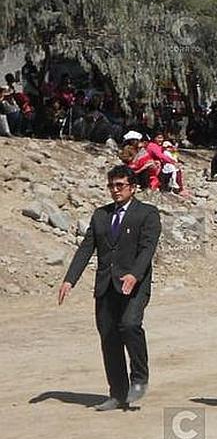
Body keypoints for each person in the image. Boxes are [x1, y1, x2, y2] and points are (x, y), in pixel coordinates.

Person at [58, 166, 162, 411]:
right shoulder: (100, 215)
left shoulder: (147, 213)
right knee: (109, 337)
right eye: (112, 186)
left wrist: (134, 275)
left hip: (134, 286)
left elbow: (148, 248)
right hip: (106, 286)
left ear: (132, 187)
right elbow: (86, 249)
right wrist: (69, 279)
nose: (115, 191)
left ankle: (139, 378)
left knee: (130, 325)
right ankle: (118, 393)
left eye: (120, 185)